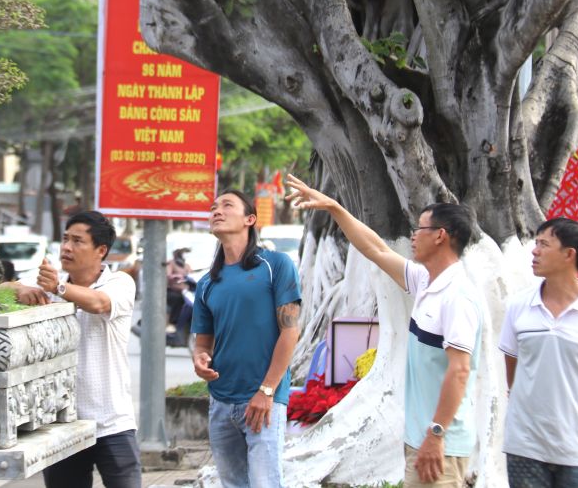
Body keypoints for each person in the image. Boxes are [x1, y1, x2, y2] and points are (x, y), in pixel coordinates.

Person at [285, 174, 482, 488]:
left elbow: (459, 371)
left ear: (441, 236)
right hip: (422, 439)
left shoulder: (457, 297)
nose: (413, 236)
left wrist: (436, 435)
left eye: (420, 229)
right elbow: (375, 249)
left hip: (441, 444)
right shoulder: (426, 281)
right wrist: (335, 207)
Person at [0, 211, 140, 488]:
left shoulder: (119, 283)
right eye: (65, 239)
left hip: (113, 422)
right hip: (61, 424)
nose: (66, 247)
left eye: (77, 241)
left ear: (101, 250)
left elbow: (99, 303)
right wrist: (18, 291)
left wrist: (59, 288)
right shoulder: (49, 285)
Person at [499, 217, 578, 488]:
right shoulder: (519, 306)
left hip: (577, 448)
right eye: (536, 244)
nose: (535, 251)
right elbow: (512, 371)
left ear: (570, 254)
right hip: (525, 445)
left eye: (544, 244)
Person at [191, 189, 301, 488]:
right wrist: (200, 359)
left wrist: (266, 391)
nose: (217, 211)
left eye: (227, 205)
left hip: (264, 400)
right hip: (221, 403)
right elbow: (203, 343)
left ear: (250, 219)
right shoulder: (206, 283)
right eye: (213, 207)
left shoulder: (276, 265)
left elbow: (290, 331)